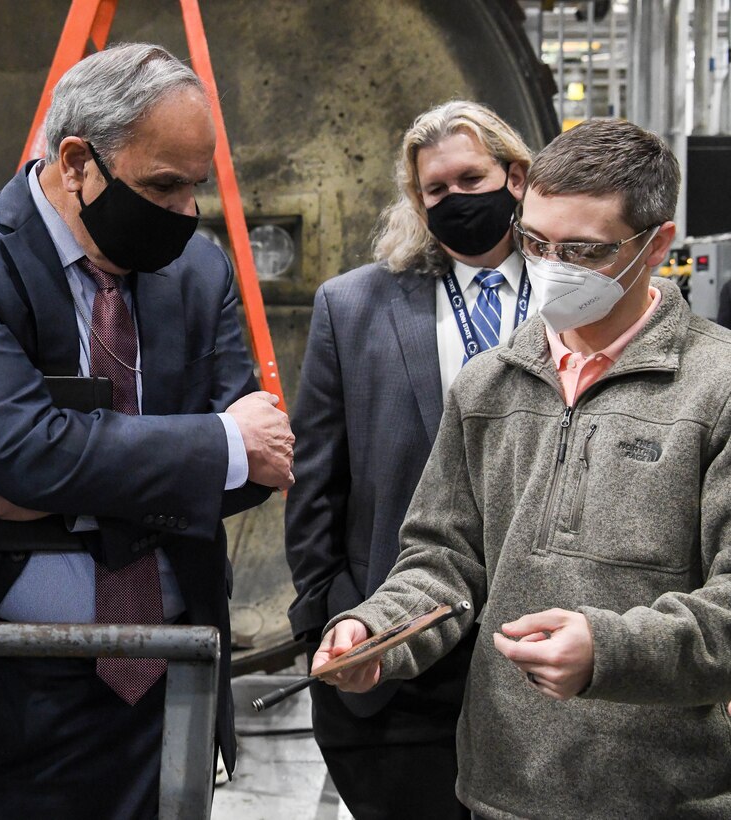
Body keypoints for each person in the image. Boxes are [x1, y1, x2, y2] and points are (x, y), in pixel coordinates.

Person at [0, 42, 294, 819]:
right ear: (77, 161)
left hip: (167, 672)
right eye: (163, 185)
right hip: (1, 681)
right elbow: (18, 447)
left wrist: (63, 484)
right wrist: (205, 446)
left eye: (196, 188)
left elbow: (261, 462)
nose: (185, 212)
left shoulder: (197, 271)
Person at [313, 118, 731, 819]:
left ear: (657, 245)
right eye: (536, 241)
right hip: (503, 790)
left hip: (665, 794)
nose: (551, 265)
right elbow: (442, 560)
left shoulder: (715, 389)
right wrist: (379, 631)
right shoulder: (488, 384)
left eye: (584, 250)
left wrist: (608, 650)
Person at [284, 101, 533, 819]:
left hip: (543, 658)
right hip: (398, 659)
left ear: (515, 177)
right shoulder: (354, 307)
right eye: (436, 190)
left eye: (471, 178)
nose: (455, 199)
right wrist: (323, 615)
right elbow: (317, 482)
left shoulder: (570, 299)